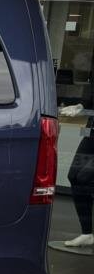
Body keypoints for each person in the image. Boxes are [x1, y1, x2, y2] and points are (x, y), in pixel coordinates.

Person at [60, 103, 93, 248]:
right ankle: (87, 233)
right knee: (73, 175)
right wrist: (81, 106)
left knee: (84, 177)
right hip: (92, 131)